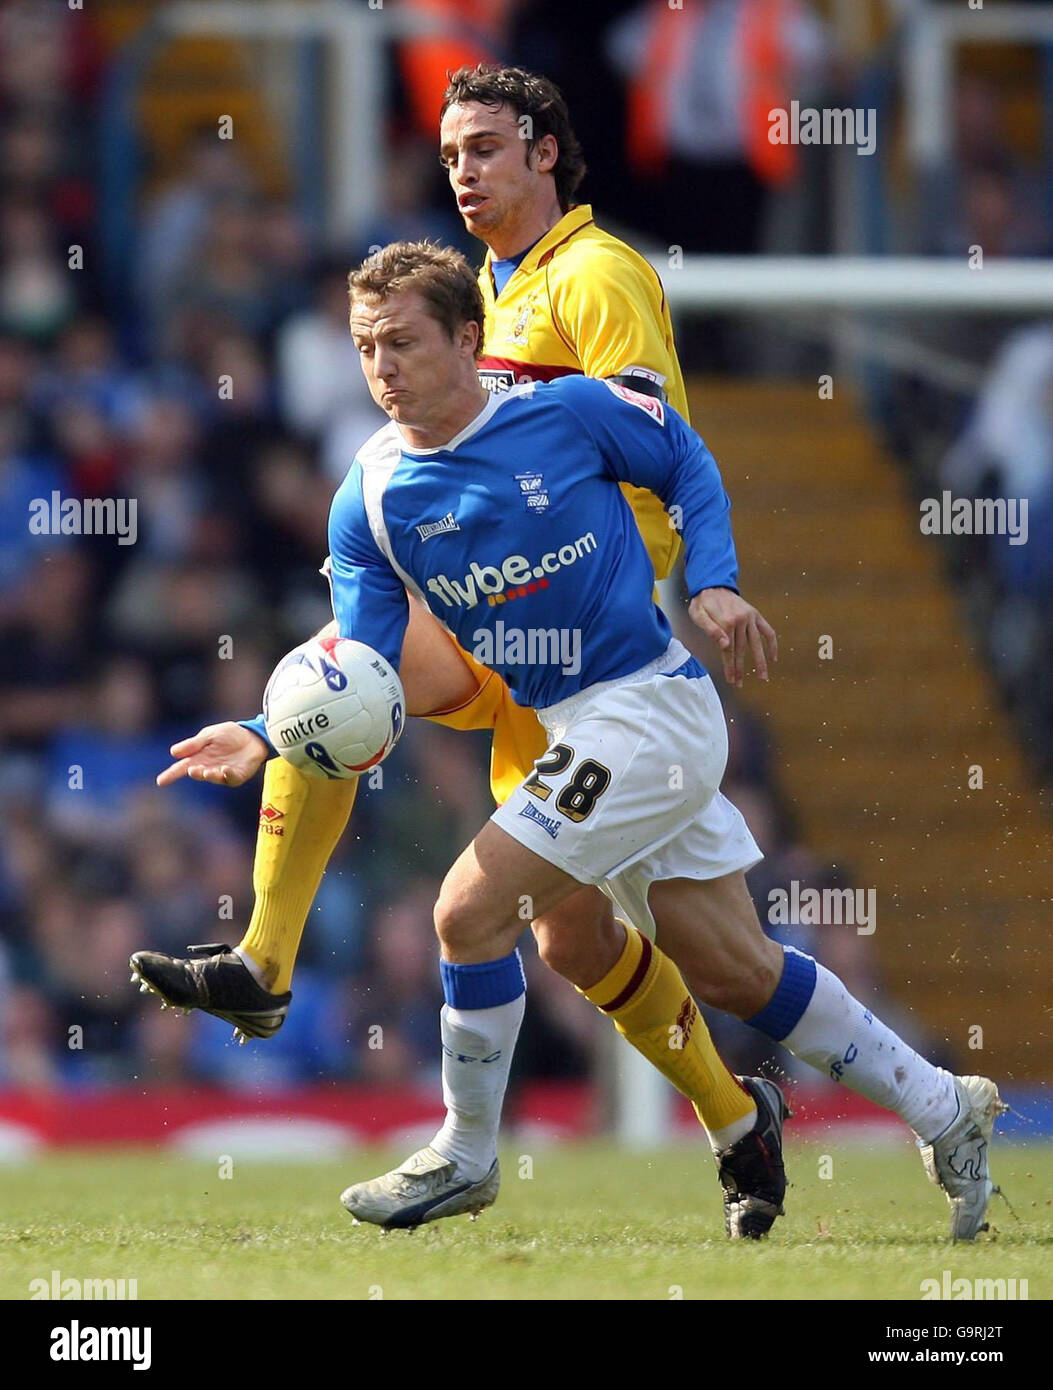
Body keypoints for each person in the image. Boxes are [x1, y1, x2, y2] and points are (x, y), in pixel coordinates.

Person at [145, 243, 1004, 1243]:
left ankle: (466, 1154)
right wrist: (265, 731)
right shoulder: (368, 498)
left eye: (404, 342)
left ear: (469, 339)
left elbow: (680, 453)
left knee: (468, 911)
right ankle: (951, 1109)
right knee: (734, 968)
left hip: (650, 708)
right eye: (365, 346)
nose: (381, 366)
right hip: (577, 726)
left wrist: (716, 577)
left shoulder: (559, 412)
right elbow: (365, 671)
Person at [132, 66, 796, 1240]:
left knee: (593, 933)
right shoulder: (487, 286)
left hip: (590, 629)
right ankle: (268, 964)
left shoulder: (597, 276)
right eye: (450, 157)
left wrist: (691, 581)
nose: (465, 173)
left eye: (486, 149)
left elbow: (652, 446)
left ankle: (676, 1122)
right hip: (506, 625)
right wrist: (261, 729)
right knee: (345, 697)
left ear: (547, 153)